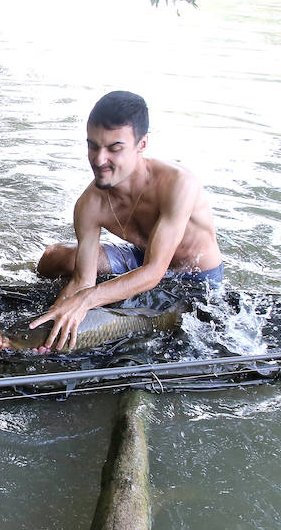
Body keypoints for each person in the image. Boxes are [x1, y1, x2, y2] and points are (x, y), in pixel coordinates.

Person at [29, 90, 223, 351]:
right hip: (139, 258)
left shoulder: (179, 184)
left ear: (141, 145)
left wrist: (87, 300)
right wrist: (53, 323)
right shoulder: (89, 203)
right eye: (93, 146)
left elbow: (154, 272)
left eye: (114, 149)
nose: (99, 160)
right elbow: (82, 281)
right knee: (56, 256)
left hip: (195, 276)